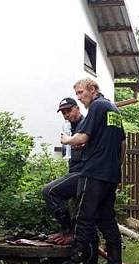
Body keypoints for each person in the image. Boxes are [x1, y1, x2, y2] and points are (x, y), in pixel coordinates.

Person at [56, 78, 126, 264]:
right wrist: (116, 165)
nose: (79, 97)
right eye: (77, 94)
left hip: (93, 172)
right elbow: (122, 143)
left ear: (93, 90)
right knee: (107, 220)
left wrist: (67, 140)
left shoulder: (97, 107)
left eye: (81, 93)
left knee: (83, 218)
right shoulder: (114, 110)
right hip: (111, 174)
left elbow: (83, 137)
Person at [42, 97, 90, 250]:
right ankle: (73, 238)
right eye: (63, 112)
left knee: (49, 191)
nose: (66, 114)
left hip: (84, 172)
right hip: (75, 171)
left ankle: (68, 233)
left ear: (77, 108)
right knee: (79, 211)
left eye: (69, 110)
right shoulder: (69, 127)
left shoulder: (85, 125)